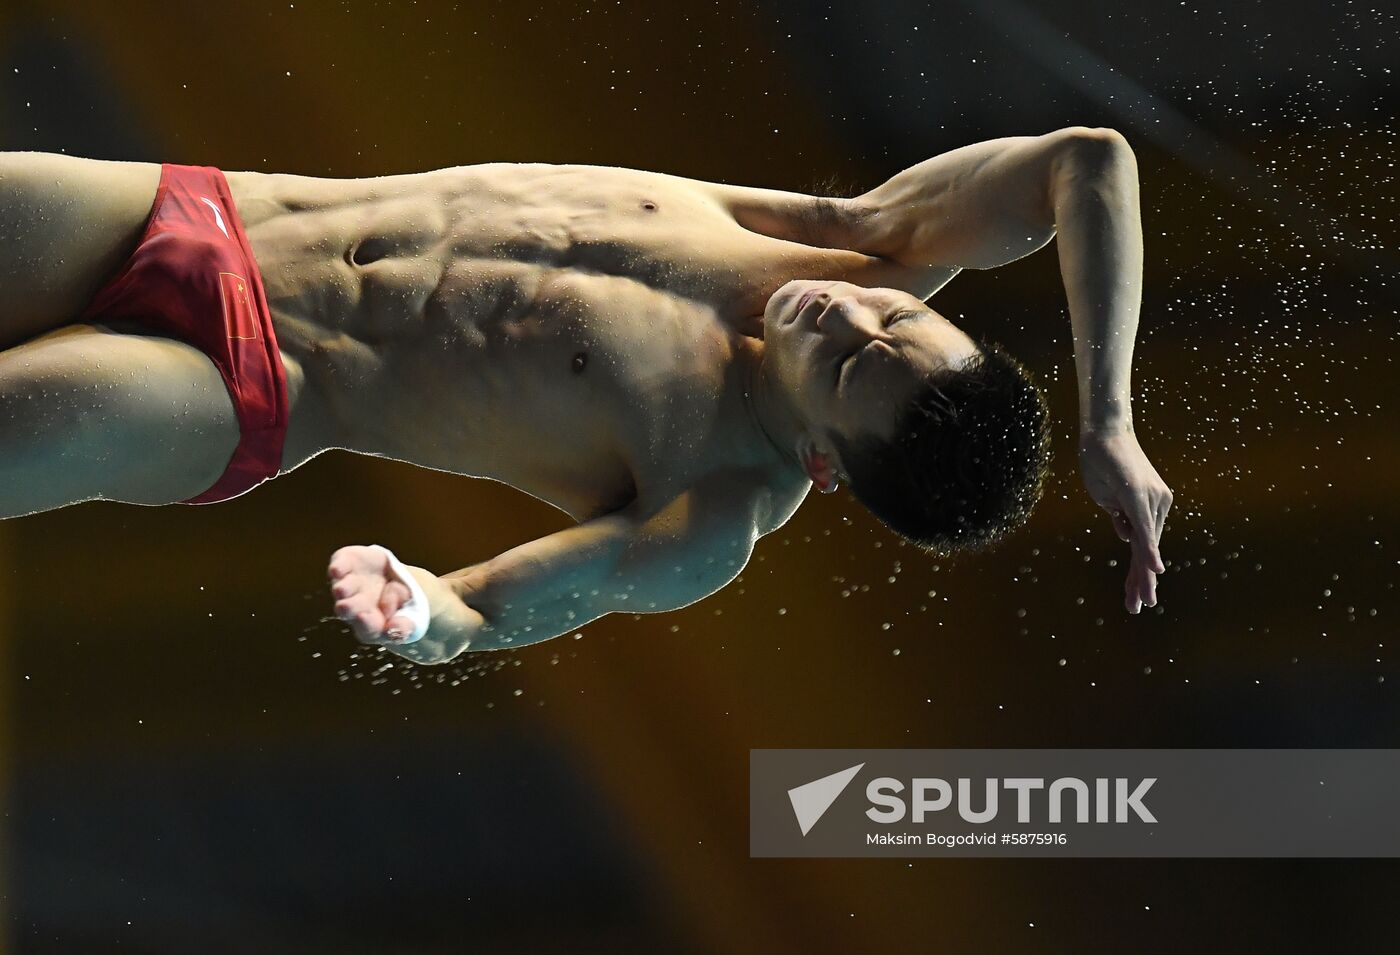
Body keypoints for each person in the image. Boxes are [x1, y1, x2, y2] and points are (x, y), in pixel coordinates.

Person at [0, 127, 1172, 664]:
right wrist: (1105, 419)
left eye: (856, 365)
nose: (851, 316)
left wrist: (418, 610)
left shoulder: (715, 502)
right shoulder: (856, 245)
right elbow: (1088, 163)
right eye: (907, 320)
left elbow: (489, 611)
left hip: (243, 386)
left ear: (825, 459)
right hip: (201, 207)